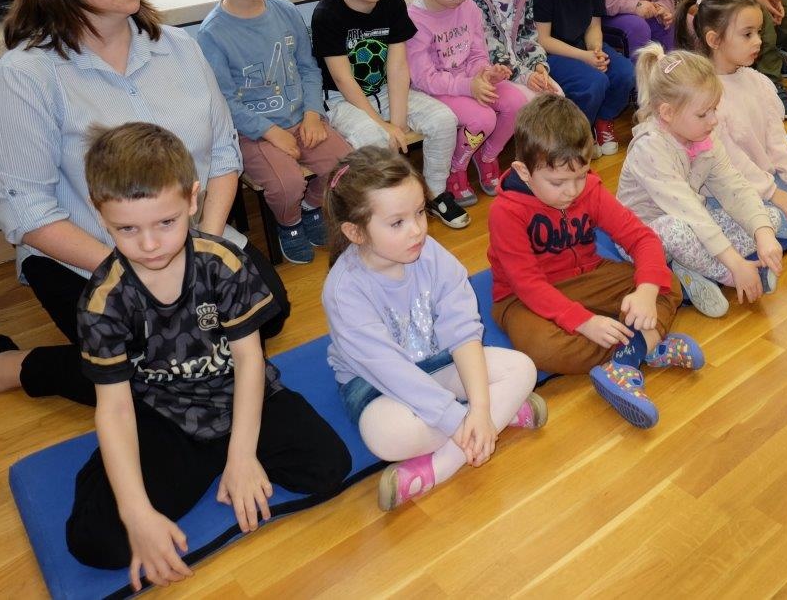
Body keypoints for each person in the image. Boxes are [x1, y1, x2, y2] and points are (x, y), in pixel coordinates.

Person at [0, 0, 288, 413]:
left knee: (267, 315)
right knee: (152, 378)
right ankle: (7, 366)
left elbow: (223, 154)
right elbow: (28, 213)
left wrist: (208, 251)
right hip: (89, 255)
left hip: (189, 241)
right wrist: (141, 272)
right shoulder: (27, 76)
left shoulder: (179, 48)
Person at [64, 123, 349, 585]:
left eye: (165, 223)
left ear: (192, 200)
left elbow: (250, 361)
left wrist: (241, 454)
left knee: (328, 466)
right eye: (127, 229)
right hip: (166, 416)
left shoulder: (223, 263)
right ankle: (154, 471)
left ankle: (224, 459)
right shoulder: (103, 302)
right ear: (100, 215)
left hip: (240, 398)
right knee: (96, 540)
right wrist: (136, 513)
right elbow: (114, 409)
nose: (150, 244)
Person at [322, 146, 542, 511]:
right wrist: (460, 420)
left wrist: (480, 408)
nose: (417, 230)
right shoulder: (345, 291)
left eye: (420, 212)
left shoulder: (430, 253)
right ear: (355, 232)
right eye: (397, 223)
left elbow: (462, 330)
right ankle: (497, 420)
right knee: (385, 434)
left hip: (440, 362)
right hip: (378, 387)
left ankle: (438, 467)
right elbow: (392, 372)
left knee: (522, 368)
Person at [488, 95, 695, 429]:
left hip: (589, 276)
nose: (572, 191)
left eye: (581, 176)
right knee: (541, 347)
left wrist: (645, 290)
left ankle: (627, 359)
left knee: (665, 283)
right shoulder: (505, 212)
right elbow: (528, 285)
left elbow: (642, 239)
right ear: (523, 172)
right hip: (522, 298)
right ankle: (645, 345)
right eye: (557, 182)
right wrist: (584, 322)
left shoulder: (590, 190)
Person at [197, 0, 353, 264]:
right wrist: (269, 132)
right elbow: (223, 101)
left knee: (345, 166)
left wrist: (312, 113)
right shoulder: (212, 35)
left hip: (302, 119)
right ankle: (290, 223)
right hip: (254, 133)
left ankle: (311, 207)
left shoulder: (285, 12)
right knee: (286, 184)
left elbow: (308, 68)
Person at [311, 0, 468, 230]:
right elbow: (342, 79)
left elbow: (397, 67)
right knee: (374, 140)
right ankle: (383, 207)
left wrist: (398, 120)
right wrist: (383, 125)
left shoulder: (393, 4)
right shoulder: (326, 14)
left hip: (386, 90)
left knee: (443, 120)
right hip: (344, 100)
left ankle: (434, 192)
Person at [617, 45, 786, 319]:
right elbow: (690, 213)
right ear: (667, 113)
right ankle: (725, 274)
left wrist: (763, 233)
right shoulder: (650, 148)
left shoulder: (704, 135)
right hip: (646, 235)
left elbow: (734, 187)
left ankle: (690, 268)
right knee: (676, 230)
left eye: (714, 109)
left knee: (770, 218)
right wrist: (736, 266)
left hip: (692, 220)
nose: (714, 120)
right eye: (703, 114)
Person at [677, 0, 787, 238]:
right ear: (714, 40)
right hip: (723, 183)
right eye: (747, 34)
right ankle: (712, 219)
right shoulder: (705, 96)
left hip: (758, 176)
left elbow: (776, 138)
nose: (758, 41)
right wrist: (773, 193)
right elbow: (729, 160)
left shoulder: (757, 81)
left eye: (758, 32)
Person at [404, 0, 528, 203]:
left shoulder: (469, 7)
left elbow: (477, 53)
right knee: (483, 119)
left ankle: (487, 156)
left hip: (469, 81)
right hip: (436, 90)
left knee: (517, 103)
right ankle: (456, 168)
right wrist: (468, 86)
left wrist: (486, 73)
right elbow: (424, 78)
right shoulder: (415, 19)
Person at [533, 0, 636, 156]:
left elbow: (593, 25)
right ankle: (579, 133)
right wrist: (585, 57)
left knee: (626, 73)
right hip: (553, 54)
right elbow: (543, 40)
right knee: (594, 83)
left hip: (583, 46)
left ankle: (603, 118)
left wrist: (596, 50)